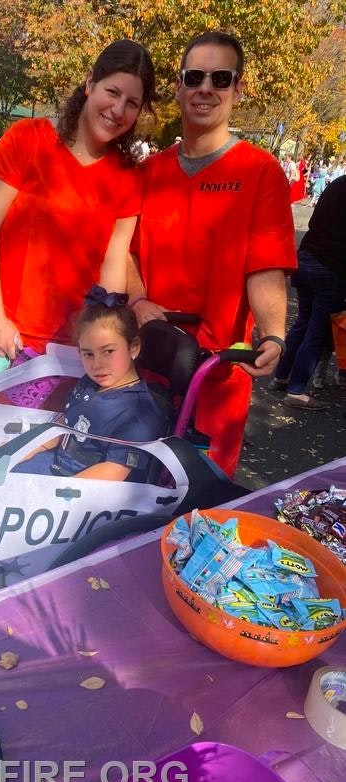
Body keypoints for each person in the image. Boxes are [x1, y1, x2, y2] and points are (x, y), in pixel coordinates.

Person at [127, 31, 296, 477]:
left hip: (218, 370)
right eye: (194, 77)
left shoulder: (260, 172)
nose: (206, 88)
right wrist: (139, 299)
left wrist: (273, 335)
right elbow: (125, 252)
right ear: (179, 87)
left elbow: (266, 265)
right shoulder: (150, 172)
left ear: (237, 90)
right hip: (147, 358)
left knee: (203, 493)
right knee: (133, 482)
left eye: (220, 78)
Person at [0, 39, 157, 362]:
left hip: (79, 348)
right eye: (112, 92)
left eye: (132, 103)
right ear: (90, 83)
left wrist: (105, 340)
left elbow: (114, 261)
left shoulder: (128, 176)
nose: (118, 110)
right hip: (12, 338)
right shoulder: (27, 140)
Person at [13, 288, 165, 479]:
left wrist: (53, 490)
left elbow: (113, 471)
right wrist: (20, 451)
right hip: (53, 463)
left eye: (108, 351)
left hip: (84, 487)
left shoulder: (139, 414)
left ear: (134, 347)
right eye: (88, 354)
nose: (97, 364)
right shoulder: (88, 384)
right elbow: (63, 426)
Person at [270, 175, 346, 409]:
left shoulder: (338, 183)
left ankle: (281, 376)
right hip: (331, 266)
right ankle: (296, 390)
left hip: (306, 257)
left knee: (302, 322)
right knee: (317, 331)